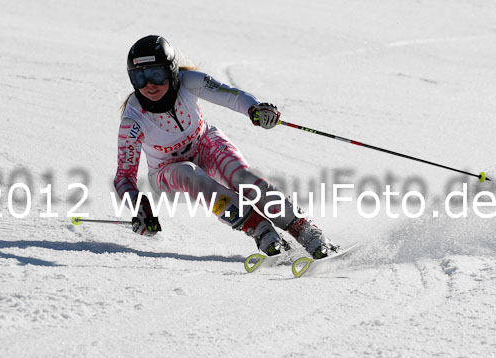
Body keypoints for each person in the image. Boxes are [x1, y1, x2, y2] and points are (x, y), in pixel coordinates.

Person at [114, 35, 338, 258]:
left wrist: (255, 109)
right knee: (189, 174)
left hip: (204, 143)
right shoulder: (133, 121)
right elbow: (124, 177)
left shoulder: (189, 81)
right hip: (165, 170)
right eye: (139, 77)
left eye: (156, 74)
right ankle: (261, 231)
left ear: (171, 70)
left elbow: (230, 96)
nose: (149, 85)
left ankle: (305, 230)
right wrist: (138, 205)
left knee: (244, 178)